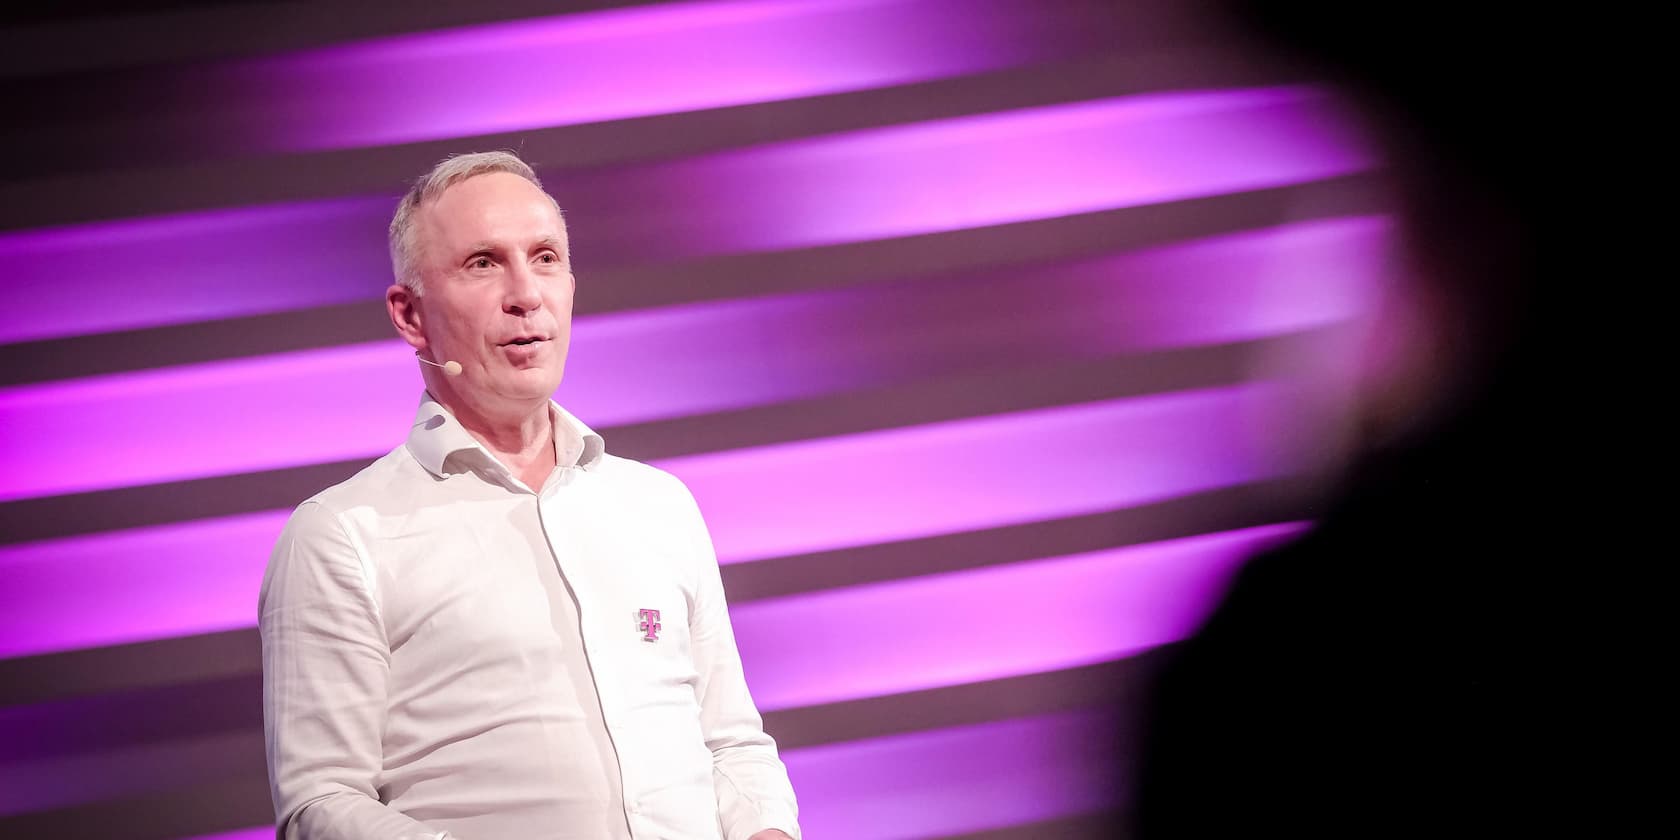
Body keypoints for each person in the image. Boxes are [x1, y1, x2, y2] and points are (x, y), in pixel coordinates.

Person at [259, 151, 800, 840]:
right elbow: (321, 803)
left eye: (545, 258)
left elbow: (730, 744)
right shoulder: (344, 535)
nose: (525, 294)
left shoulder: (657, 504)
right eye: (483, 263)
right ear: (410, 314)